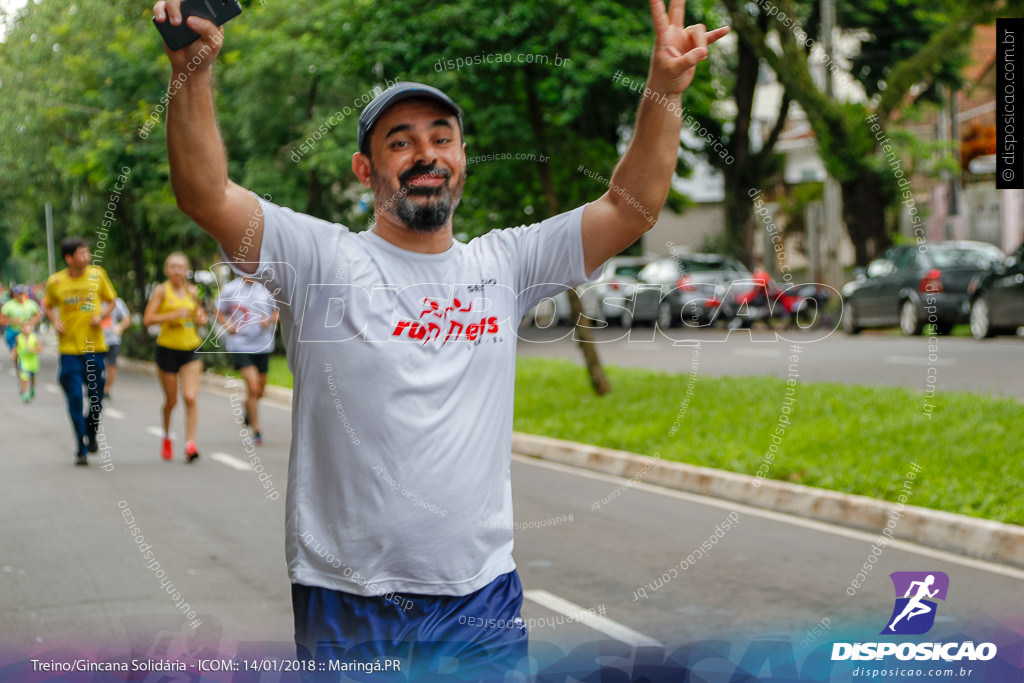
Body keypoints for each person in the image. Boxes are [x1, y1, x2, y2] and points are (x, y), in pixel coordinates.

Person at [155, 0, 726, 675]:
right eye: (400, 141)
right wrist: (190, 72)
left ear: (461, 160)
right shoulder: (320, 259)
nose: (426, 153)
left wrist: (663, 89)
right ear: (366, 170)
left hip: (479, 597)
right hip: (350, 600)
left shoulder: (504, 264)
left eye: (441, 137)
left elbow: (631, 207)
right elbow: (206, 195)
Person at [44, 237, 117, 465]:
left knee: (96, 399)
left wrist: (102, 315)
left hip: (94, 347)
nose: (87, 257)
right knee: (74, 397)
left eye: (88, 252)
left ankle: (91, 433)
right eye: (82, 253)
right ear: (69, 258)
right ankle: (80, 446)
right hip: (68, 350)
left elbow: (111, 301)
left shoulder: (97, 275)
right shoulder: (55, 282)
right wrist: (55, 321)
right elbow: (47, 305)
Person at [143, 252, 208, 462]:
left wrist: (201, 318)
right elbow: (148, 319)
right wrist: (172, 315)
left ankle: (190, 444)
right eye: (173, 266)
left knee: (190, 397)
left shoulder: (192, 291)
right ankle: (167, 436)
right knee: (171, 401)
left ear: (186, 270)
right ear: (166, 270)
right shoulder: (162, 291)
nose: (177, 271)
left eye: (181, 267)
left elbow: (200, 316)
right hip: (167, 348)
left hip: (191, 348)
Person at [215, 276, 279, 445]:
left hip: (263, 344)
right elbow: (218, 311)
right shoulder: (230, 289)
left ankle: (248, 407)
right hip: (240, 344)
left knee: (260, 391)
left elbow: (278, 312)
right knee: (253, 385)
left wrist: (270, 320)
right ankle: (256, 430)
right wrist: (228, 326)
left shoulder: (266, 289)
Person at [101, 297, 132, 400]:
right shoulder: (92, 301)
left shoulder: (117, 302)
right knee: (93, 365)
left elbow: (127, 319)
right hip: (96, 340)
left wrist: (120, 326)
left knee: (111, 366)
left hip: (112, 340)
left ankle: (107, 390)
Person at [1, 284, 42, 353]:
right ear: (15, 295)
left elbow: (38, 315)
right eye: (19, 294)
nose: (21, 296)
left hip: (27, 332)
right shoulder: (9, 305)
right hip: (13, 331)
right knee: (16, 353)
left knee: (26, 351)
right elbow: (1, 319)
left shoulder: (31, 304)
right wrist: (11, 321)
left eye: (23, 293)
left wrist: (31, 322)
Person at [11, 321, 41, 403]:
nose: (26, 329)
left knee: (32, 378)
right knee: (23, 378)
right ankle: (25, 394)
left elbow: (40, 349)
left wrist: (33, 349)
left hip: (33, 362)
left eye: (28, 327)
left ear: (31, 328)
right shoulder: (19, 337)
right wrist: (13, 354)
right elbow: (15, 347)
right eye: (24, 327)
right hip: (23, 361)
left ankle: (32, 388)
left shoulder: (34, 337)